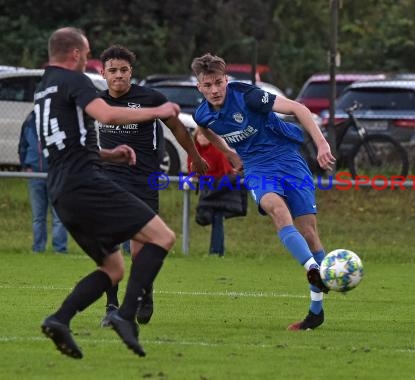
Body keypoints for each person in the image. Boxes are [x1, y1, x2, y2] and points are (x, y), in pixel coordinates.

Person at [37, 27, 206, 359]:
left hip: (61, 190)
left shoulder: (43, 89)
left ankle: (59, 319)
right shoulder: (76, 80)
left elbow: (61, 145)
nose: (86, 59)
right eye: (85, 53)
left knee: (114, 267)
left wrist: (110, 153)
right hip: (87, 184)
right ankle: (125, 314)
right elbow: (108, 114)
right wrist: (158, 112)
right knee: (163, 237)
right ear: (75, 54)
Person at [190, 53, 335, 330]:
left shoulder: (249, 97)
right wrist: (230, 154)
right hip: (257, 167)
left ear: (226, 80)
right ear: (199, 87)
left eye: (218, 83)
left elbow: (299, 109)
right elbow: (205, 130)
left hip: (289, 158)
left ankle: (316, 312)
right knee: (276, 209)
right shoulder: (203, 113)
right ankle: (313, 270)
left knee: (309, 233)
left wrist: (322, 145)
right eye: (207, 85)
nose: (214, 90)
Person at [96, 45, 208, 327]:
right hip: (109, 180)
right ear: (103, 73)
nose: (118, 75)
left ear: (131, 72)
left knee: (139, 251)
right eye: (113, 71)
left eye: (123, 70)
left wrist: (195, 157)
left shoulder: (150, 98)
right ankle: (111, 306)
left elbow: (177, 128)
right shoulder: (97, 102)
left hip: (144, 181)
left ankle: (146, 293)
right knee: (108, 245)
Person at [18, 111, 68, 254]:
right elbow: (22, 145)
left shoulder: (60, 118)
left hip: (56, 175)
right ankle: (38, 248)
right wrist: (25, 166)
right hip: (35, 174)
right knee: (38, 217)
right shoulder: (29, 120)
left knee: (59, 216)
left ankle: (60, 250)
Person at [188, 128, 242, 257]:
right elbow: (192, 169)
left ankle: (216, 252)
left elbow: (225, 172)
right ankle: (216, 251)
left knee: (217, 218)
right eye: (199, 135)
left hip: (221, 188)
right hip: (208, 189)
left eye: (204, 135)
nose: (202, 138)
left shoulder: (217, 151)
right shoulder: (194, 152)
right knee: (209, 218)